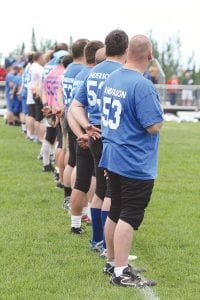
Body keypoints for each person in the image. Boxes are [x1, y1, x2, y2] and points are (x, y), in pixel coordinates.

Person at [98, 35, 163, 287]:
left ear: (127, 52)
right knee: (130, 214)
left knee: (115, 210)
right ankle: (121, 272)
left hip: (112, 155)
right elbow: (153, 126)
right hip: (134, 160)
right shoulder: (142, 84)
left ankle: (113, 262)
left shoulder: (112, 77)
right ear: (149, 55)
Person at [70, 30, 128, 255]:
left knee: (100, 191)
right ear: (125, 49)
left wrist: (86, 126)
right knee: (111, 194)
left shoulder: (91, 73)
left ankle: (97, 239)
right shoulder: (121, 73)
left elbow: (75, 106)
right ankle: (107, 246)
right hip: (112, 137)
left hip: (94, 134)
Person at [67, 41, 104, 234]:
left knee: (80, 179)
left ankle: (75, 223)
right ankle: (94, 221)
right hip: (96, 131)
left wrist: (79, 133)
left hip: (79, 130)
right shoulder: (102, 75)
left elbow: (71, 110)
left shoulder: (79, 75)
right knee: (97, 179)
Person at [61, 39, 89, 209]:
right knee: (78, 163)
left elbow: (59, 90)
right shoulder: (82, 70)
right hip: (79, 118)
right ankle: (77, 203)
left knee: (71, 158)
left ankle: (67, 198)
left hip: (68, 114)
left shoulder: (69, 69)